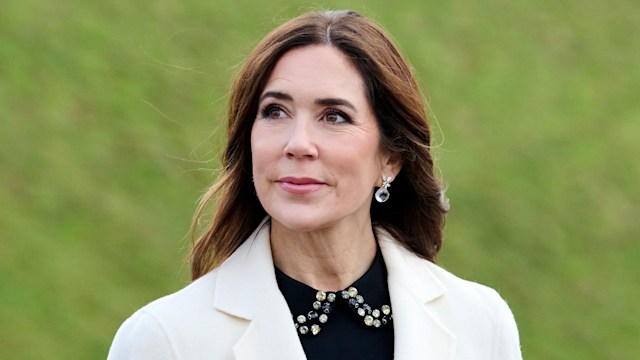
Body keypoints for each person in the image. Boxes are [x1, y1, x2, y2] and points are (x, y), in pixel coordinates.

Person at [108, 9, 522, 360]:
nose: (297, 143)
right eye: (275, 112)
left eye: (334, 116)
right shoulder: (164, 340)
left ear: (391, 158)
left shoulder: (481, 323)